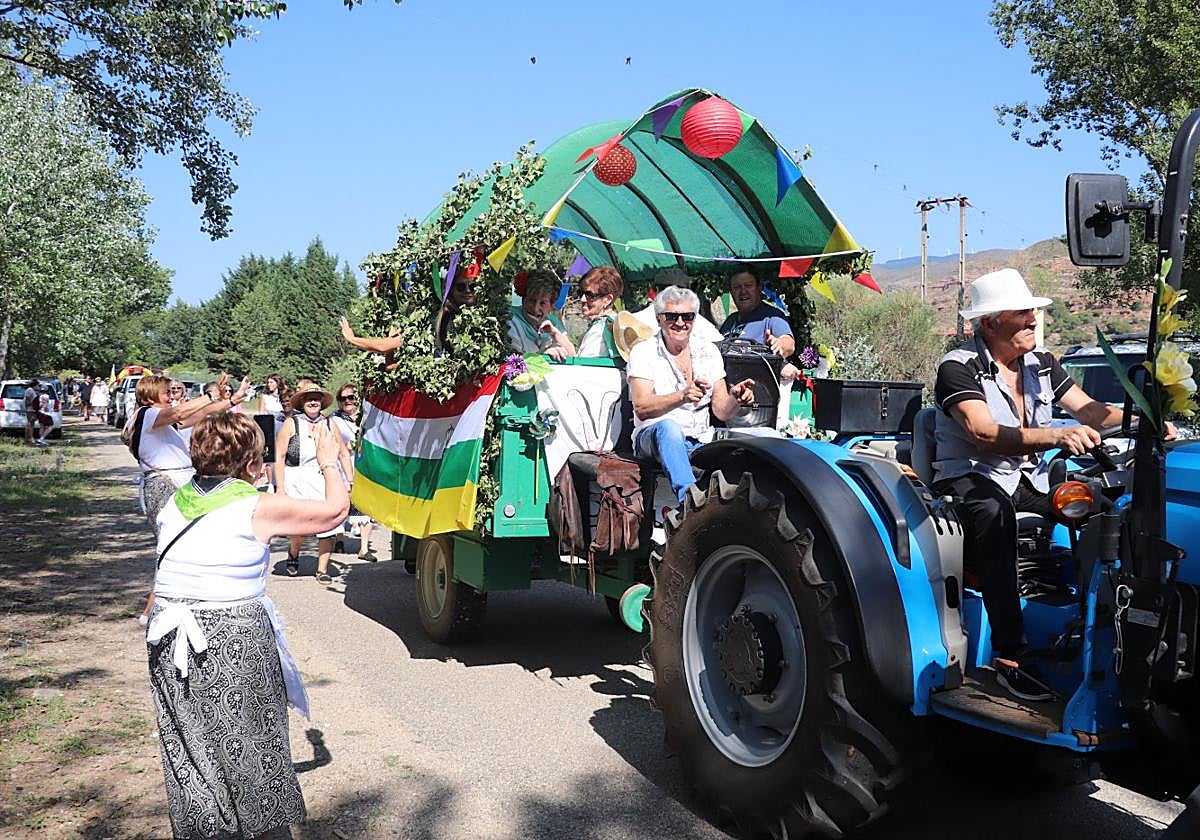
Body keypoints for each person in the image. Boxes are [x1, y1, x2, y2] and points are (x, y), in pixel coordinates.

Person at [931, 268, 1167, 701]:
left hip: (1026, 477)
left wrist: (1148, 421)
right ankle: (1010, 655)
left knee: (1102, 506)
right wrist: (1057, 436)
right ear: (990, 322)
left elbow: (1092, 412)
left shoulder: (1041, 363)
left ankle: (1108, 622)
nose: (1032, 322)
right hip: (971, 476)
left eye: (1032, 313)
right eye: (1022, 314)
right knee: (993, 513)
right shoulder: (957, 367)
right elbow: (984, 435)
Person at [146, 412, 349, 840]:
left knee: (191, 749)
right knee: (252, 744)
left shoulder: (174, 500)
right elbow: (334, 513)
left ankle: (208, 830)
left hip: (167, 635)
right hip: (230, 635)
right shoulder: (256, 505)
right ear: (253, 466)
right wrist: (329, 460)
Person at [627, 286, 757, 502]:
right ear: (659, 318)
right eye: (672, 316)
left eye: (687, 316)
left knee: (764, 437)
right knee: (669, 428)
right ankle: (690, 503)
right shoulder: (643, 351)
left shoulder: (708, 351)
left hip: (700, 439)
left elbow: (721, 411)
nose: (680, 323)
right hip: (653, 437)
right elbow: (642, 408)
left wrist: (737, 398)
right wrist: (682, 396)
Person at [127, 373, 251, 532]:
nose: (171, 398)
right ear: (150, 397)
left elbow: (202, 414)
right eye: (167, 393)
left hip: (177, 482)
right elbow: (179, 412)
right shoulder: (147, 414)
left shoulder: (159, 420)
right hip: (164, 484)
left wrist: (232, 401)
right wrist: (209, 396)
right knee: (172, 534)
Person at [274, 382, 354, 584]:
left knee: (328, 525)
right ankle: (294, 553)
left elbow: (344, 454)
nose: (313, 402)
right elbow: (280, 457)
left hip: (324, 478)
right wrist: (280, 488)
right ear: (302, 402)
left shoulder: (329, 424)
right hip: (297, 480)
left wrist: (349, 481)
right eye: (309, 398)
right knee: (300, 527)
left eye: (316, 399)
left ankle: (322, 569)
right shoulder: (292, 423)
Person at [329, 382, 376, 561]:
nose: (347, 401)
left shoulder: (366, 417)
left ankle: (364, 548)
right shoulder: (333, 420)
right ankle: (339, 538)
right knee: (341, 503)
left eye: (351, 397)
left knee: (365, 504)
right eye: (343, 398)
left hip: (363, 464)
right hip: (341, 464)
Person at [719, 264, 796, 358]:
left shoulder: (772, 316)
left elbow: (789, 344)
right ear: (731, 292)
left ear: (759, 288)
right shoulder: (730, 320)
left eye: (748, 285)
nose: (743, 291)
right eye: (737, 287)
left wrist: (779, 344)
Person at [633, 267, 723, 344]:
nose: (679, 322)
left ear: (655, 291)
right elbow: (720, 344)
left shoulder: (634, 320)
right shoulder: (699, 322)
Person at [509, 269, 575, 360]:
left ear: (551, 305)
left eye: (542, 303)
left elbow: (573, 356)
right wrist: (543, 356)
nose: (535, 308)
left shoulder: (554, 323)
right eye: (532, 300)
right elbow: (514, 361)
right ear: (523, 299)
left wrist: (555, 333)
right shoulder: (511, 319)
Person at [575, 266, 623, 358]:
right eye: (581, 293)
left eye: (590, 295)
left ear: (608, 299)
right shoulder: (619, 323)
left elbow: (583, 366)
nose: (582, 299)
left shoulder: (600, 330)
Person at [434, 268, 476, 350]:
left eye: (472, 286)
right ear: (451, 290)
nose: (468, 290)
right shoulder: (447, 318)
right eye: (461, 287)